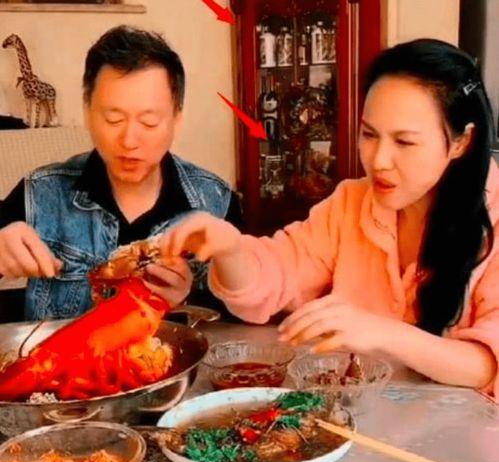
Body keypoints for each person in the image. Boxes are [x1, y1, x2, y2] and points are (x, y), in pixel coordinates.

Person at [159, 39, 499, 396]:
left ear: (461, 141)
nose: (379, 160)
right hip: (360, 416)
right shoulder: (351, 203)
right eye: (369, 134)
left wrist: (380, 331)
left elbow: (488, 365)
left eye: (404, 142)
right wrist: (230, 249)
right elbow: (274, 276)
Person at [0, 25, 241, 320]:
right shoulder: (40, 194)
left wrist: (189, 297)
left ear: (177, 120)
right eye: (113, 119)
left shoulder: (216, 202)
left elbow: (247, 320)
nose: (129, 141)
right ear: (88, 113)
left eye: (149, 122)